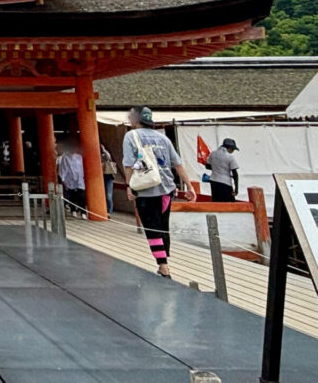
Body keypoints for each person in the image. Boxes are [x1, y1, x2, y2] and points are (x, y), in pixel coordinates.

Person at [122, 106, 197, 278]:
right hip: (166, 189)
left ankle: (163, 265)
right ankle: (164, 261)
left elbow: (128, 164)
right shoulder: (162, 138)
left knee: (151, 227)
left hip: (145, 189)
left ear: (136, 119)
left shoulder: (131, 136)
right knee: (163, 226)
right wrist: (189, 186)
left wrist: (129, 186)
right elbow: (177, 163)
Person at [56, 141, 86, 218]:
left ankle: (83, 212)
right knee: (72, 195)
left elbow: (82, 168)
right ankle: (73, 210)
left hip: (79, 178)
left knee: (81, 195)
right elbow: (63, 168)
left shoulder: (79, 157)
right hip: (70, 178)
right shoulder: (65, 157)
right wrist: (63, 179)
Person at [206, 138, 240, 202]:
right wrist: (236, 189)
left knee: (216, 202)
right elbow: (235, 174)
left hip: (214, 182)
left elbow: (207, 166)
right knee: (229, 203)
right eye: (233, 150)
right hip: (226, 183)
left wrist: (217, 169)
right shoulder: (230, 157)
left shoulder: (212, 154)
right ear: (230, 148)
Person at [101, 143, 117, 214]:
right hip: (100, 177)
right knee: (102, 195)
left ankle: (109, 211)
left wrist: (104, 150)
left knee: (108, 195)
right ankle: (103, 209)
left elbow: (109, 157)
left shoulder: (105, 155)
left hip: (108, 176)